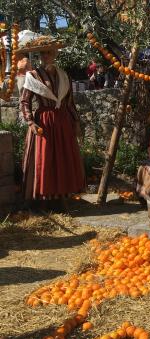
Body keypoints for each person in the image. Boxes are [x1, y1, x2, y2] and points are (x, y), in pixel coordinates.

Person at [18, 35, 85, 211]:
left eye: (48, 52)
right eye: (42, 53)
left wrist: (76, 122)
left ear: (55, 53)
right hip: (44, 123)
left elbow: (70, 102)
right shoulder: (32, 76)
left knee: (62, 159)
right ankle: (41, 199)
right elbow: (24, 101)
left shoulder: (64, 75)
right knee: (44, 159)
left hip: (62, 122)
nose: (45, 56)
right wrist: (31, 122)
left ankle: (60, 198)